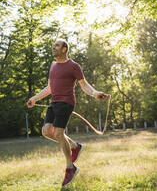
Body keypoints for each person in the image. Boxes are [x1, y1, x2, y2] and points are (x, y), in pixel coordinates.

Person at [27, 38, 108, 187]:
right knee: (46, 131)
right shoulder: (52, 66)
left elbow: (84, 85)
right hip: (54, 103)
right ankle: (75, 146)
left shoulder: (73, 66)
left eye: (57, 45)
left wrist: (95, 93)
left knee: (58, 133)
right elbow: (49, 88)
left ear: (64, 49)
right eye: (53, 45)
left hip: (66, 102)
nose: (53, 47)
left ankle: (70, 168)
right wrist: (34, 98)